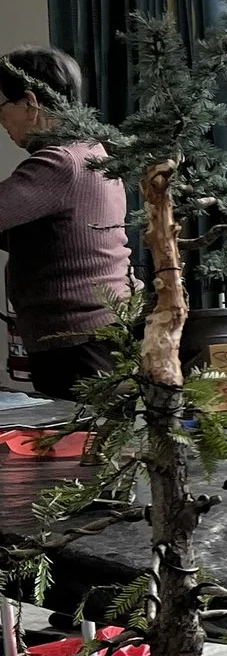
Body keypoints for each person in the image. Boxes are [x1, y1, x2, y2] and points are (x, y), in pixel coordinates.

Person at [0, 47, 131, 398]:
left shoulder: (59, 162)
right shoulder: (91, 151)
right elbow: (57, 235)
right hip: (96, 333)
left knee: (78, 448)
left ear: (29, 103)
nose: (1, 121)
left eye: (1, 107)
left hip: (76, 341)